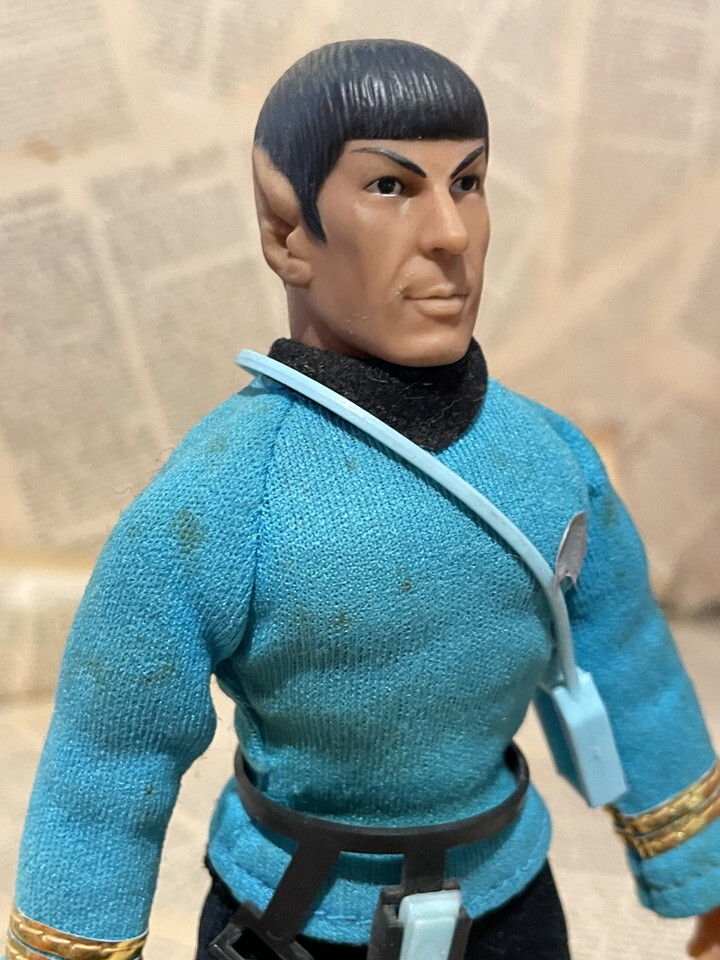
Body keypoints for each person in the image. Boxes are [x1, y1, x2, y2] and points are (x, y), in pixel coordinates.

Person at [5, 39, 720, 960]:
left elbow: (629, 665)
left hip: (508, 903)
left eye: (469, 183)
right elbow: (111, 755)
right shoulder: (221, 497)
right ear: (286, 229)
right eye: (392, 187)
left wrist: (702, 874)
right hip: (294, 919)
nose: (451, 233)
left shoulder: (550, 458)